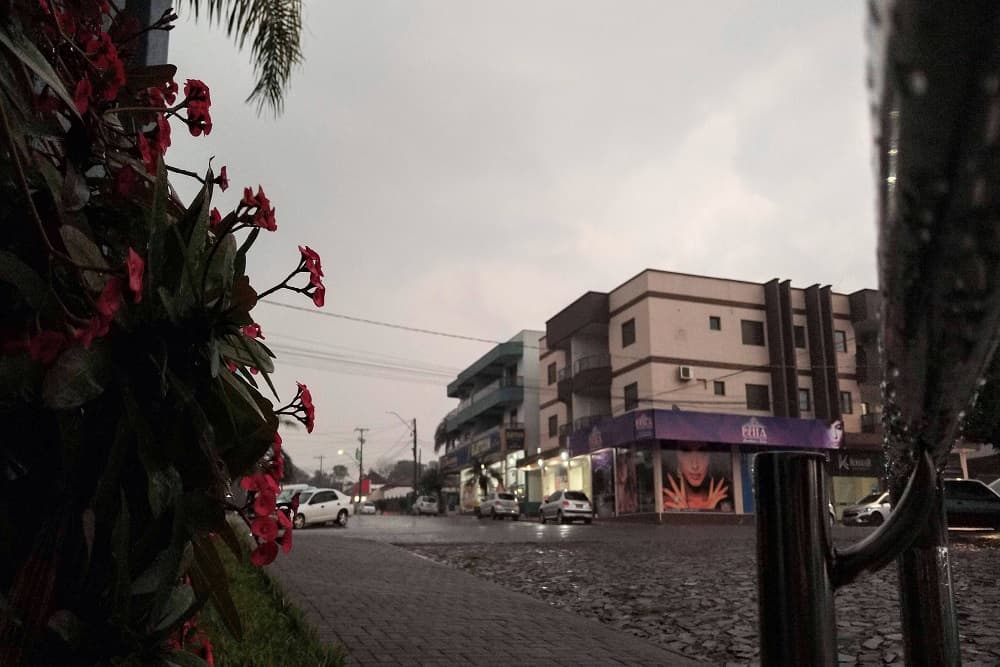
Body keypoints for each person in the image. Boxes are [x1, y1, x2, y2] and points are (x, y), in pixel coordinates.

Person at [663, 441, 733, 511]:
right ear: (677, 459)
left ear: (710, 459)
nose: (695, 465)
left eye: (702, 452)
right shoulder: (666, 504)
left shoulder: (727, 502)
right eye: (686, 451)